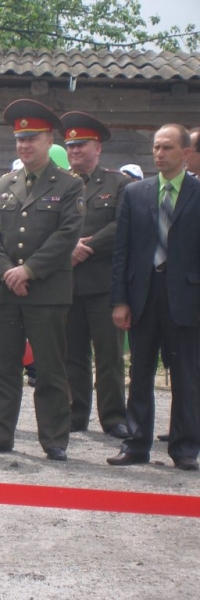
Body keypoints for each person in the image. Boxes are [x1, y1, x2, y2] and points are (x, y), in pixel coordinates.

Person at [0, 99, 84, 461]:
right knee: (3, 367)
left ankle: (54, 438)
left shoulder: (69, 185)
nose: (24, 145)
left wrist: (29, 270)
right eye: (20, 139)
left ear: (49, 140)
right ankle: (0, 434)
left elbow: (67, 234)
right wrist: (9, 271)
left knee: (50, 369)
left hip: (47, 291)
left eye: (32, 138)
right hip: (4, 291)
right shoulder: (4, 183)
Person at [108, 123, 200, 471]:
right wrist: (120, 300)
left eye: (167, 148)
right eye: (156, 147)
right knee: (140, 372)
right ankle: (136, 444)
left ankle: (184, 447)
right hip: (143, 295)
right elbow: (122, 251)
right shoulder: (136, 193)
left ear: (185, 153)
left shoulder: (197, 192)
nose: (159, 154)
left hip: (186, 297)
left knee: (186, 376)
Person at [60, 111, 130, 439]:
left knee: (109, 356)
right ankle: (76, 414)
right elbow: (45, 227)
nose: (75, 150)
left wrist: (85, 246)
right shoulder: (58, 184)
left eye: (81, 145)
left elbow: (123, 226)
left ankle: (113, 417)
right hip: (67, 283)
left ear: (97, 148)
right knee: (72, 354)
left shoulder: (119, 184)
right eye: (70, 146)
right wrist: (67, 248)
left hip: (103, 285)